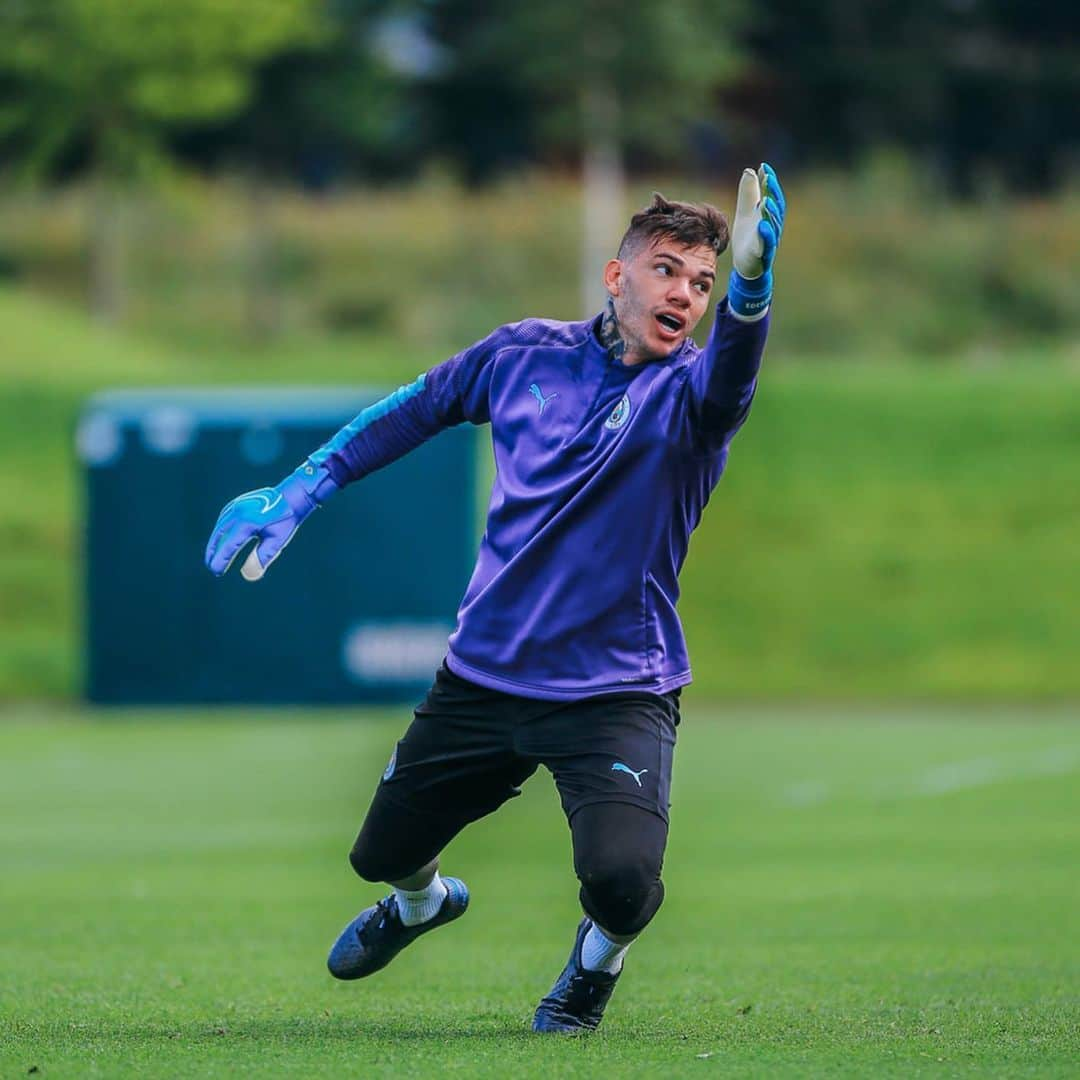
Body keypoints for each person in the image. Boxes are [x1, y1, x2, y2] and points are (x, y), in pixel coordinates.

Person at [205, 163, 786, 1034]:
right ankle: (420, 906)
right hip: (484, 677)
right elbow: (419, 406)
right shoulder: (522, 355)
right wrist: (308, 482)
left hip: (614, 689)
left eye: (702, 282)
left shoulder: (693, 397)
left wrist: (751, 288)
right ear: (616, 274)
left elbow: (736, 374)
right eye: (668, 269)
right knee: (381, 855)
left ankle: (594, 967)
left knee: (623, 882)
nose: (685, 294)